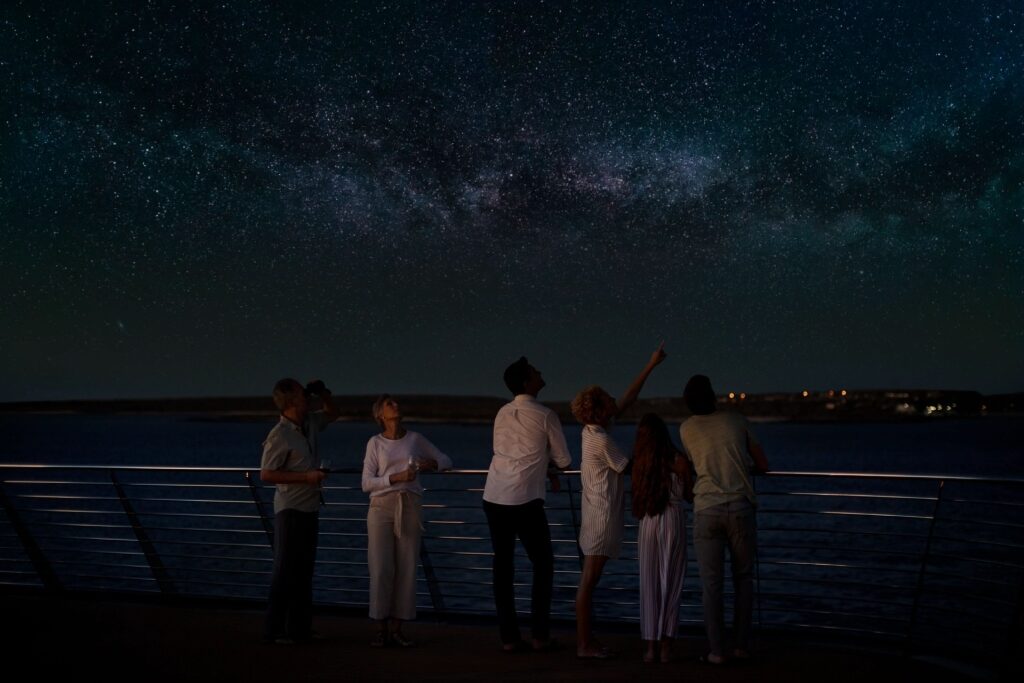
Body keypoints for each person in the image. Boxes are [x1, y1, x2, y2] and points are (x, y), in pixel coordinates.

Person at [570, 344, 666, 659]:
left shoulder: (592, 430)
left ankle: (588, 640)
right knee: (589, 582)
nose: (615, 399)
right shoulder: (601, 438)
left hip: (596, 512)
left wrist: (650, 365)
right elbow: (628, 465)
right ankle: (584, 644)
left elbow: (627, 400)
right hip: (601, 516)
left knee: (589, 580)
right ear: (600, 410)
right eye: (609, 398)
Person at [483, 356, 572, 652]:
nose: (541, 373)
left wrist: (542, 462)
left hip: (494, 495)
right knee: (544, 564)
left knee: (503, 567)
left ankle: (509, 638)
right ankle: (540, 636)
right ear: (527, 382)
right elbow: (565, 460)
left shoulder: (501, 412)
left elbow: (511, 450)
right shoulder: (546, 415)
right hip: (524, 498)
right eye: (536, 372)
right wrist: (549, 464)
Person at [679, 374, 769, 665]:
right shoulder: (736, 420)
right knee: (743, 579)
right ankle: (741, 645)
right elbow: (763, 464)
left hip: (706, 509)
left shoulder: (686, 428)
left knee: (711, 585)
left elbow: (695, 462)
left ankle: (717, 651)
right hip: (740, 507)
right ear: (714, 396)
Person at [362, 394, 452, 648]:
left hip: (410, 507)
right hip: (381, 508)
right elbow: (366, 482)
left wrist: (431, 463)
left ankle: (398, 629)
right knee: (380, 568)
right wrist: (395, 477)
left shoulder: (415, 439)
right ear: (380, 414)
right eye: (390, 404)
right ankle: (381, 630)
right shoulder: (375, 443)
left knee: (407, 568)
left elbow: (446, 460)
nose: (396, 405)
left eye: (397, 402)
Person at [260, 378, 337, 645]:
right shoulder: (279, 435)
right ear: (291, 400)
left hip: (309, 507)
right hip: (290, 510)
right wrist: (307, 477)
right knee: (284, 571)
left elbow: (333, 413)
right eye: (303, 393)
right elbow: (267, 473)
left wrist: (324, 393)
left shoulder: (310, 423)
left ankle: (299, 629)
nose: (307, 396)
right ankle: (274, 630)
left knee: (304, 572)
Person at [631, 413, 693, 664]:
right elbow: (690, 494)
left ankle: (649, 648)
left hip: (648, 520)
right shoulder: (678, 461)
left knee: (649, 585)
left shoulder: (640, 463)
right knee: (672, 582)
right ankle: (666, 647)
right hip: (672, 519)